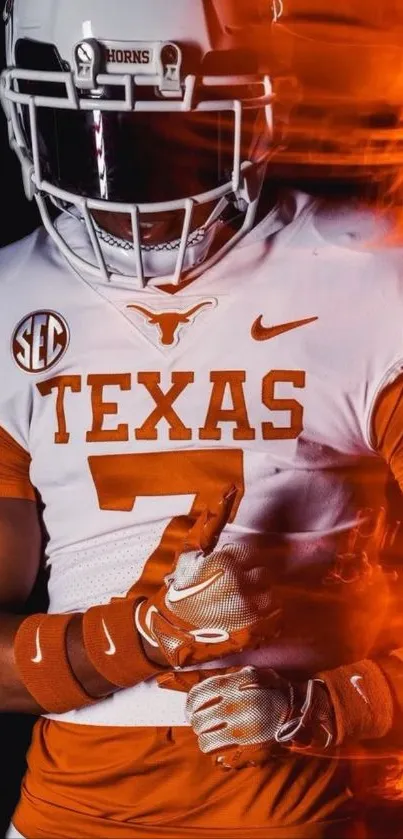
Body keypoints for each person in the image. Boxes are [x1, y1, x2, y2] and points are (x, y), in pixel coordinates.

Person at [2, 1, 403, 837]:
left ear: (259, 112)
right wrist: (140, 633)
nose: (123, 192)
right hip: (69, 811)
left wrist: (333, 704)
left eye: (168, 139)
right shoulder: (9, 298)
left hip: (298, 807)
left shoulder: (368, 274)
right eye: (86, 136)